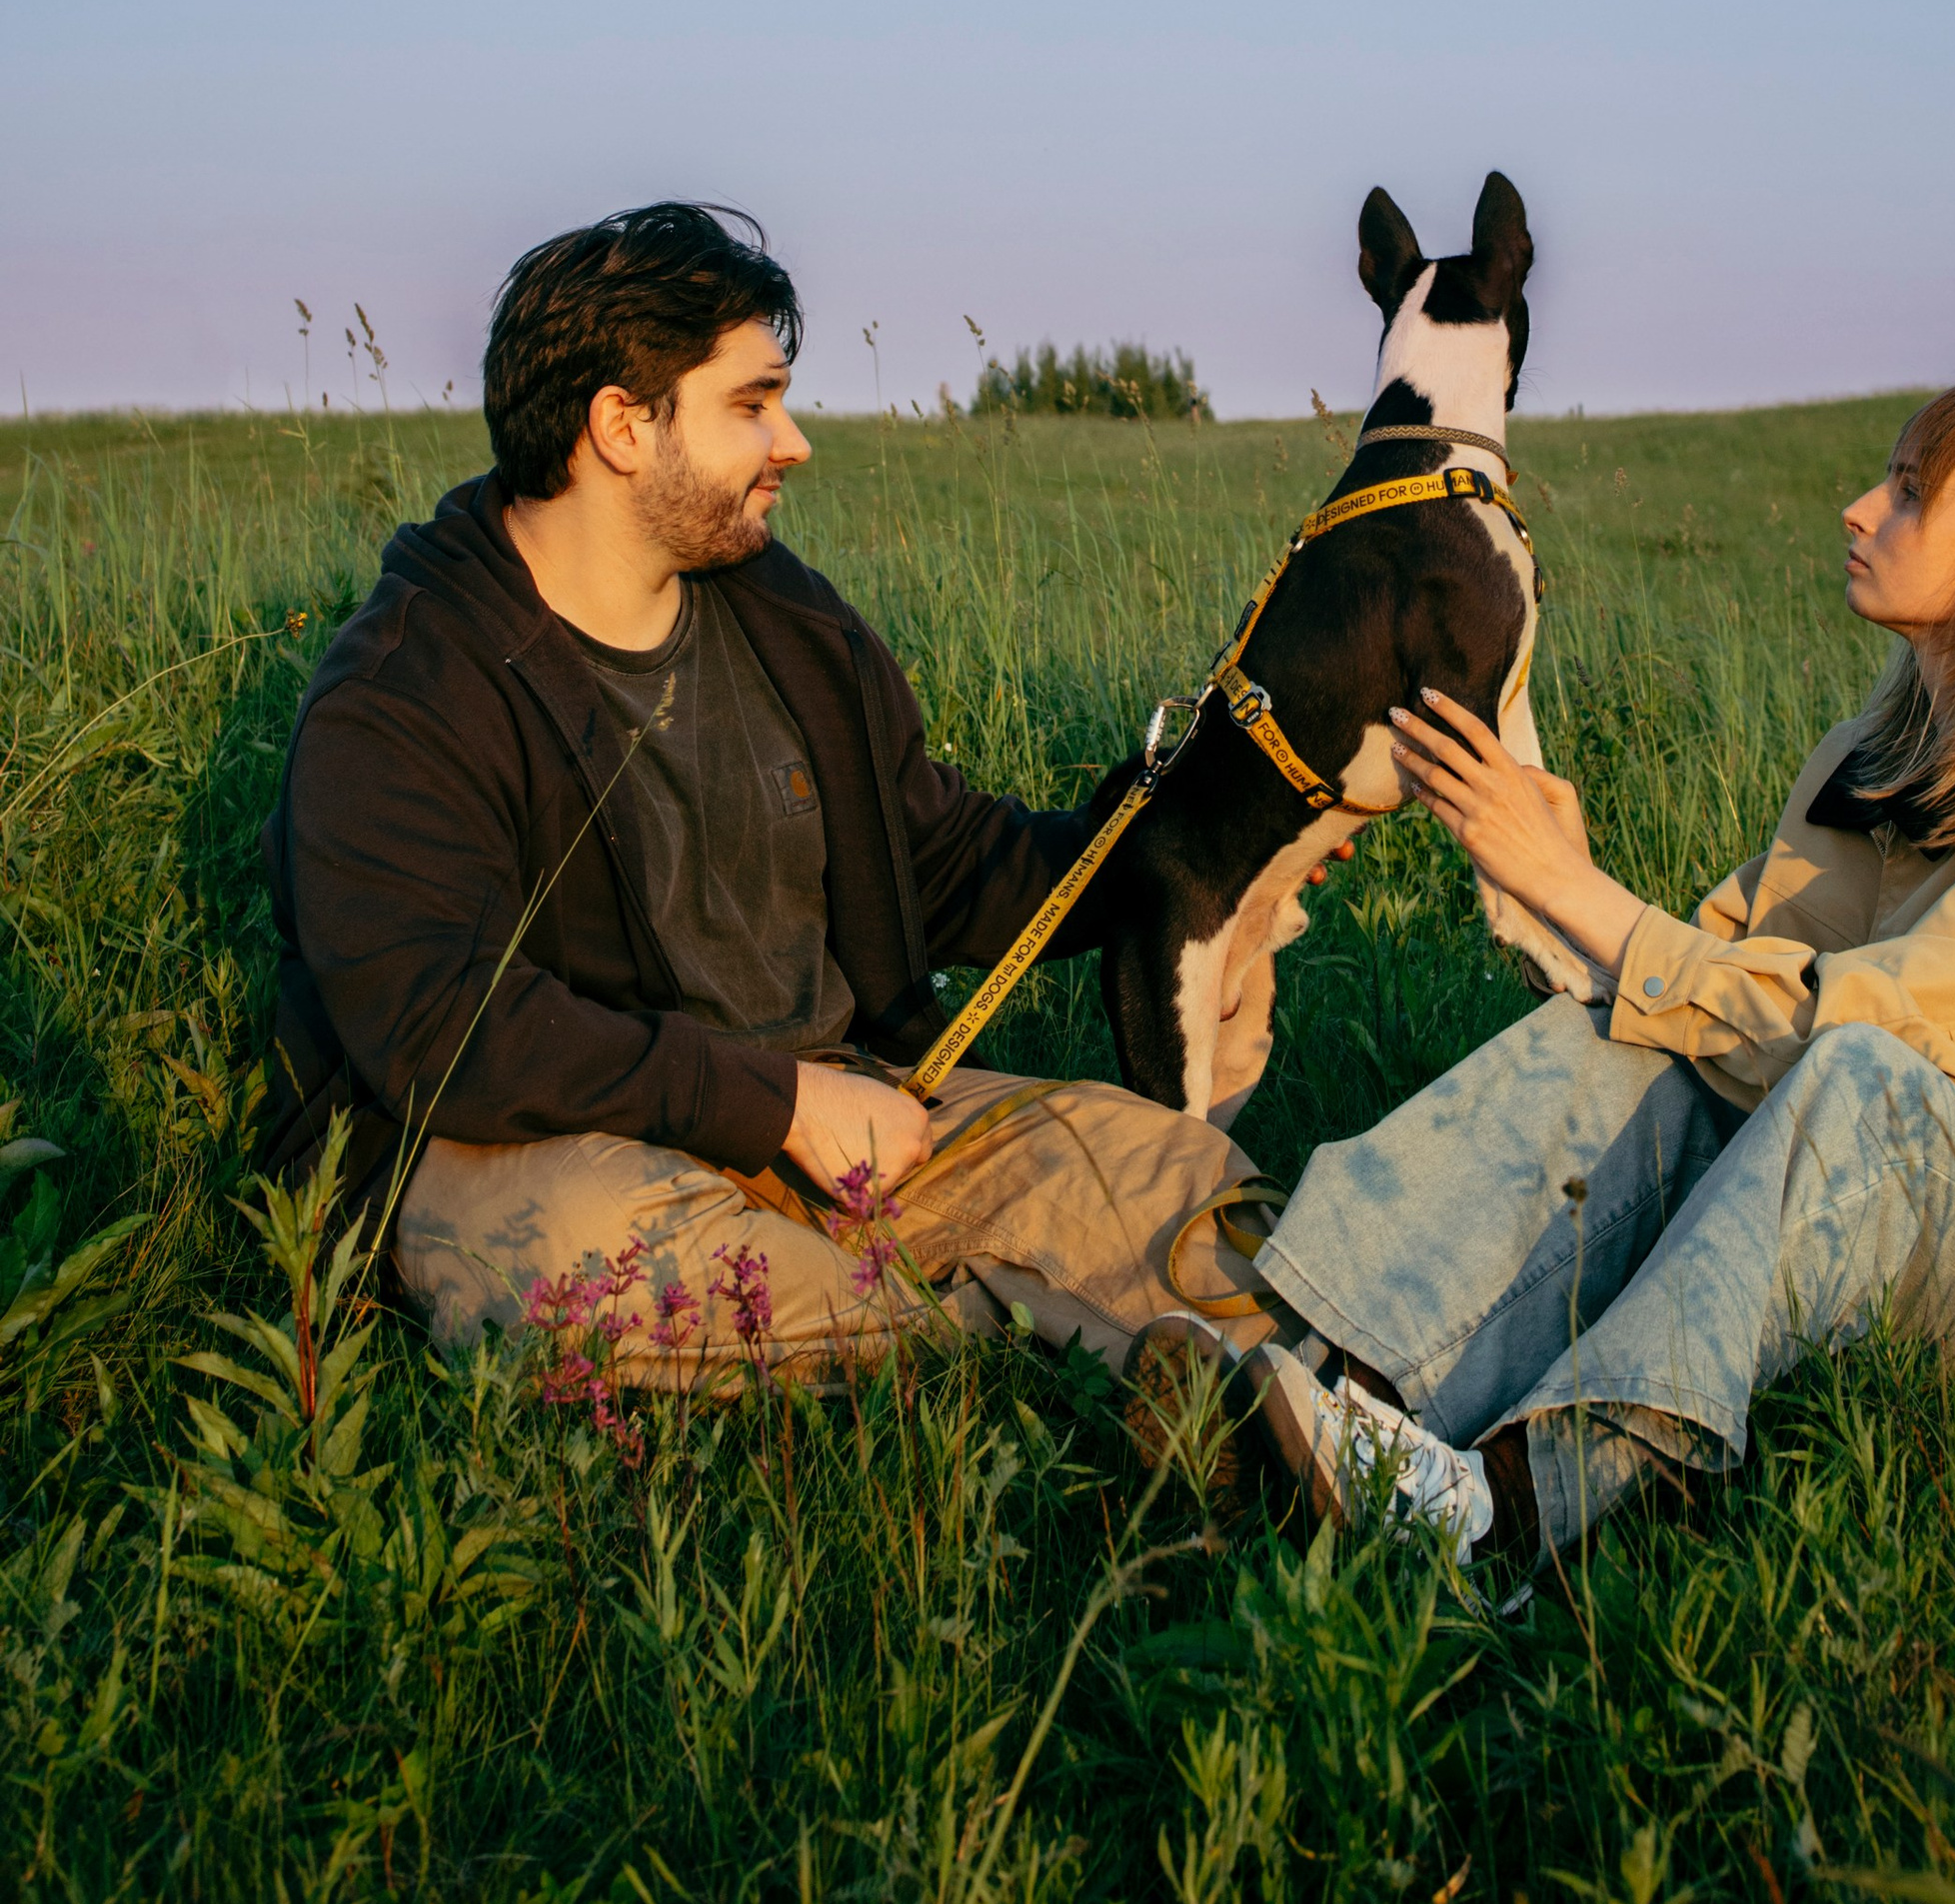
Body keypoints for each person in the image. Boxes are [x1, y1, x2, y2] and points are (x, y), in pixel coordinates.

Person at [1246, 378, 1955, 1566]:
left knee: (1859, 1084)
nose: (1855, 510)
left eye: (1907, 494)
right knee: (1645, 1037)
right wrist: (1568, 896)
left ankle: (1507, 1511)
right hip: (1931, 1221)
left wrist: (1584, 900)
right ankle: (1328, 1371)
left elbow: (1874, 1042)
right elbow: (1717, 987)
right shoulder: (1885, 754)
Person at [260, 203, 1270, 1385]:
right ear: (621, 426)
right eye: (751, 404)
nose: (791, 442)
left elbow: (940, 865)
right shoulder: (405, 688)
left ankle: (1256, 1385)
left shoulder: (783, 615)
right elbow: (441, 1026)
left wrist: (1189, 834)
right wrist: (771, 1102)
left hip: (852, 1115)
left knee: (1178, 1189)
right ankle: (1047, 1351)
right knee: (600, 1263)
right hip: (560, 1149)